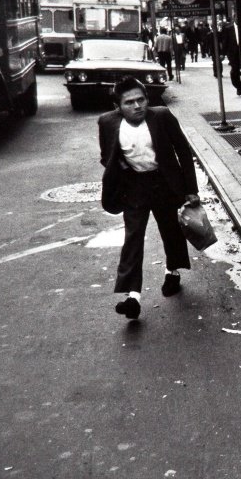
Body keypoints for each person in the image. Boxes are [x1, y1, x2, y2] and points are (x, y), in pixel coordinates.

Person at [98, 77, 200, 320]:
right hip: (134, 187)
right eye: (129, 102)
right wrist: (123, 171)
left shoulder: (162, 116)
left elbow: (183, 151)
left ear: (148, 99)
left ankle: (172, 272)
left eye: (141, 99)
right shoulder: (108, 123)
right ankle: (132, 296)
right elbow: (106, 156)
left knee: (171, 230)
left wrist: (191, 189)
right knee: (133, 237)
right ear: (118, 107)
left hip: (164, 183)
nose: (137, 106)